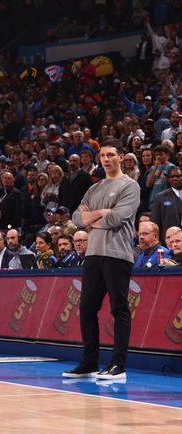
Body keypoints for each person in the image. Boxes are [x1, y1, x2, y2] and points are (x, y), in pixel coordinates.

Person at [63, 140, 140, 381]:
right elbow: (76, 218)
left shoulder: (130, 186)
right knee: (86, 308)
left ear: (121, 156)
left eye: (110, 155)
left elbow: (116, 219)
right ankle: (89, 363)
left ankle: (118, 365)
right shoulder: (94, 188)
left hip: (117, 255)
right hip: (93, 255)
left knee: (119, 309)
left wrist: (92, 219)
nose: (106, 159)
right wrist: (99, 214)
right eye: (102, 156)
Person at [149, 167, 182, 245]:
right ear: (168, 179)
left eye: (178, 176)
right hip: (169, 243)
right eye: (171, 177)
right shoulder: (160, 197)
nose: (174, 179)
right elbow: (155, 223)